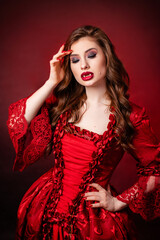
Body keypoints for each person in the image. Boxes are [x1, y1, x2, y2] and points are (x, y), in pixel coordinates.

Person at [7, 25, 160, 240]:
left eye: (91, 55)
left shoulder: (131, 116)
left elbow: (155, 171)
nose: (84, 65)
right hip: (43, 207)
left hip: (92, 221)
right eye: (75, 60)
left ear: (107, 57)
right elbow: (18, 121)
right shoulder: (63, 103)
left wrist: (118, 201)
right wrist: (52, 81)